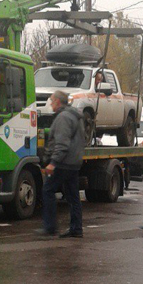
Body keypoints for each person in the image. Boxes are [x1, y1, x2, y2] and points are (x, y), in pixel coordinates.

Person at [37, 90, 86, 238]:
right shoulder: (75, 116)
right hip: (74, 162)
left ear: (58, 102)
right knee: (73, 196)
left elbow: (62, 144)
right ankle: (76, 229)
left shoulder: (63, 118)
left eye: (52, 101)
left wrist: (53, 163)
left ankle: (50, 227)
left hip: (63, 163)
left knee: (47, 190)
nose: (50, 104)